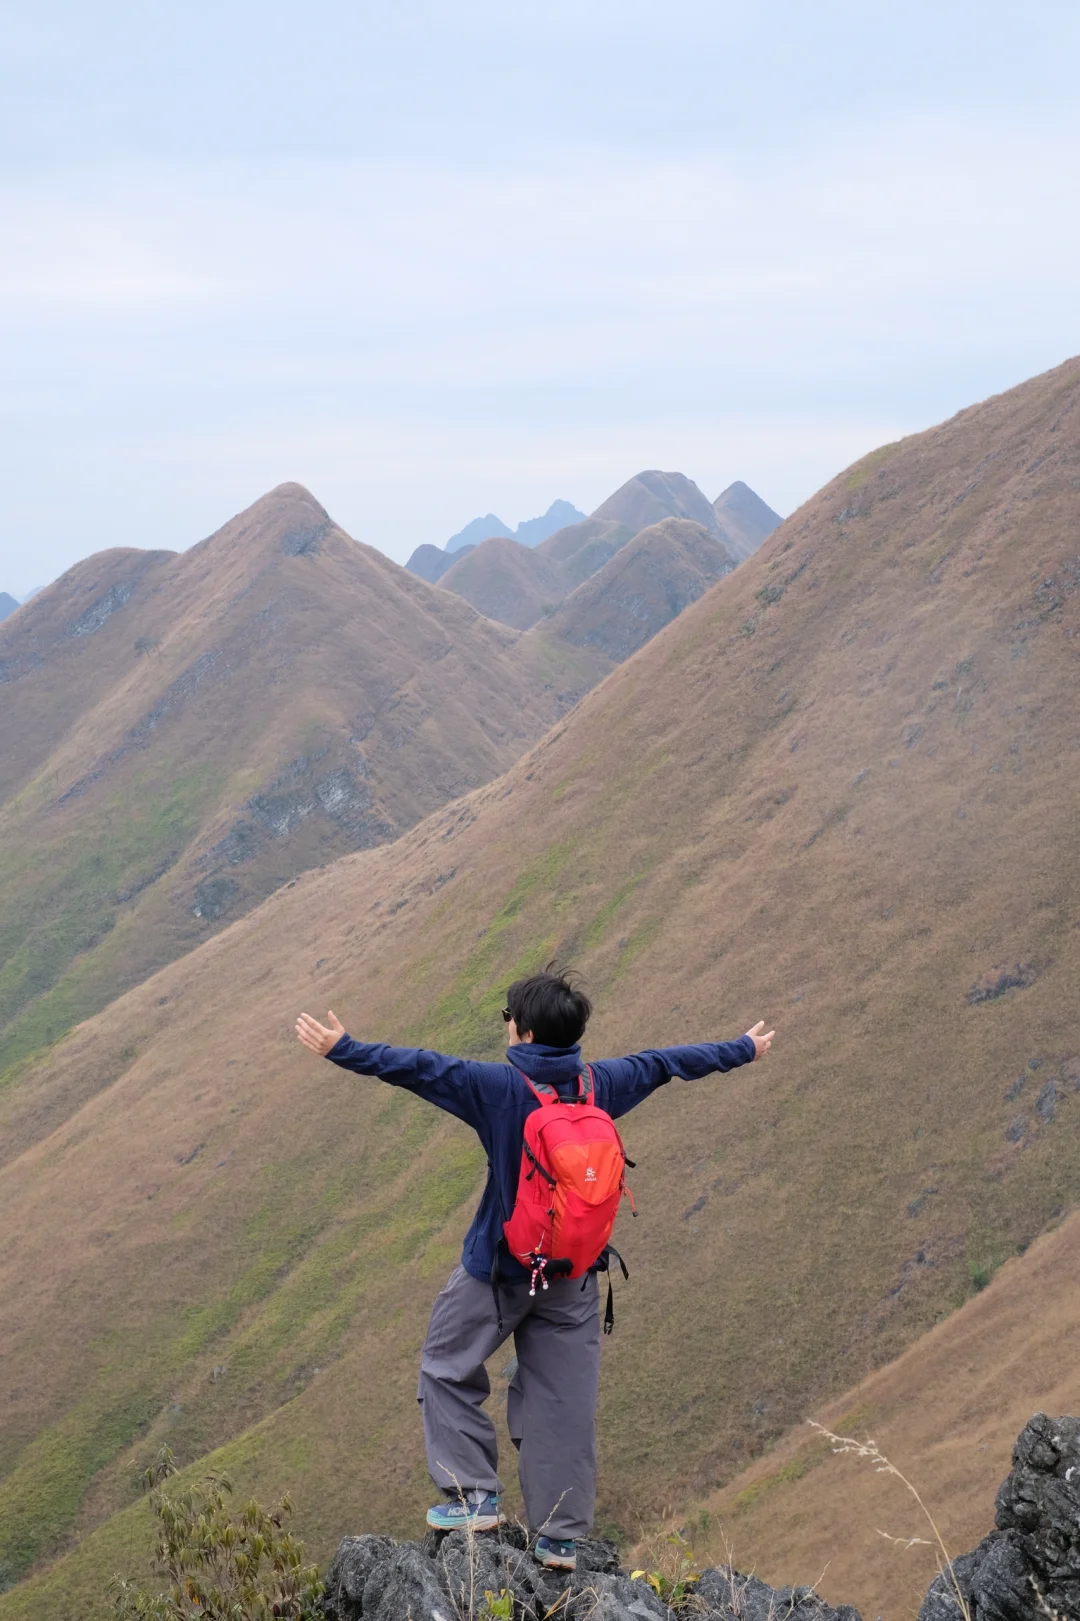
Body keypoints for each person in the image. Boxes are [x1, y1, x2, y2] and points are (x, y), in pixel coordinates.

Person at [296, 968, 773, 1572]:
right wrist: (744, 1049)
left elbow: (416, 1066)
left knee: (446, 1363)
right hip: (574, 1276)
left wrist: (343, 1049)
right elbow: (667, 1061)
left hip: (497, 1273)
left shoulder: (496, 1087)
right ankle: (560, 1538)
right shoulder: (601, 1082)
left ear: (520, 1032)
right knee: (562, 1400)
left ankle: (472, 1498)